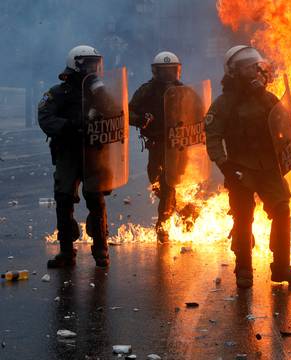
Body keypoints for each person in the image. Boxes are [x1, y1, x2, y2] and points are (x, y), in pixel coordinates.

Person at [204, 45, 291, 288]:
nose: (257, 72)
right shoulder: (224, 103)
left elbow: (283, 125)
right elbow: (212, 136)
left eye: (257, 67)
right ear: (236, 72)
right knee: (243, 217)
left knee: (282, 210)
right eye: (251, 68)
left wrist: (289, 152)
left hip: (269, 167)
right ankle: (243, 270)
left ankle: (281, 267)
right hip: (241, 168)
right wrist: (224, 165)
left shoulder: (267, 98)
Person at [38, 45, 121, 268]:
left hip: (94, 152)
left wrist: (101, 93)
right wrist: (71, 126)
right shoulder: (59, 93)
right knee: (64, 198)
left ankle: (101, 251)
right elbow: (45, 118)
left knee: (96, 199)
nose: (94, 68)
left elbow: (117, 112)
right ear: (76, 64)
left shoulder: (98, 92)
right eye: (89, 64)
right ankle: (66, 252)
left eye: (96, 64)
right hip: (68, 152)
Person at [129, 51, 184, 243]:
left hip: (177, 145)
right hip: (156, 143)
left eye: (172, 71)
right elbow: (129, 112)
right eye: (164, 71)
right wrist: (141, 120)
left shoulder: (183, 91)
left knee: (169, 183)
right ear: (156, 72)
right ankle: (183, 209)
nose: (169, 75)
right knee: (156, 181)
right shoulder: (147, 91)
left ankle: (163, 226)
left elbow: (196, 110)